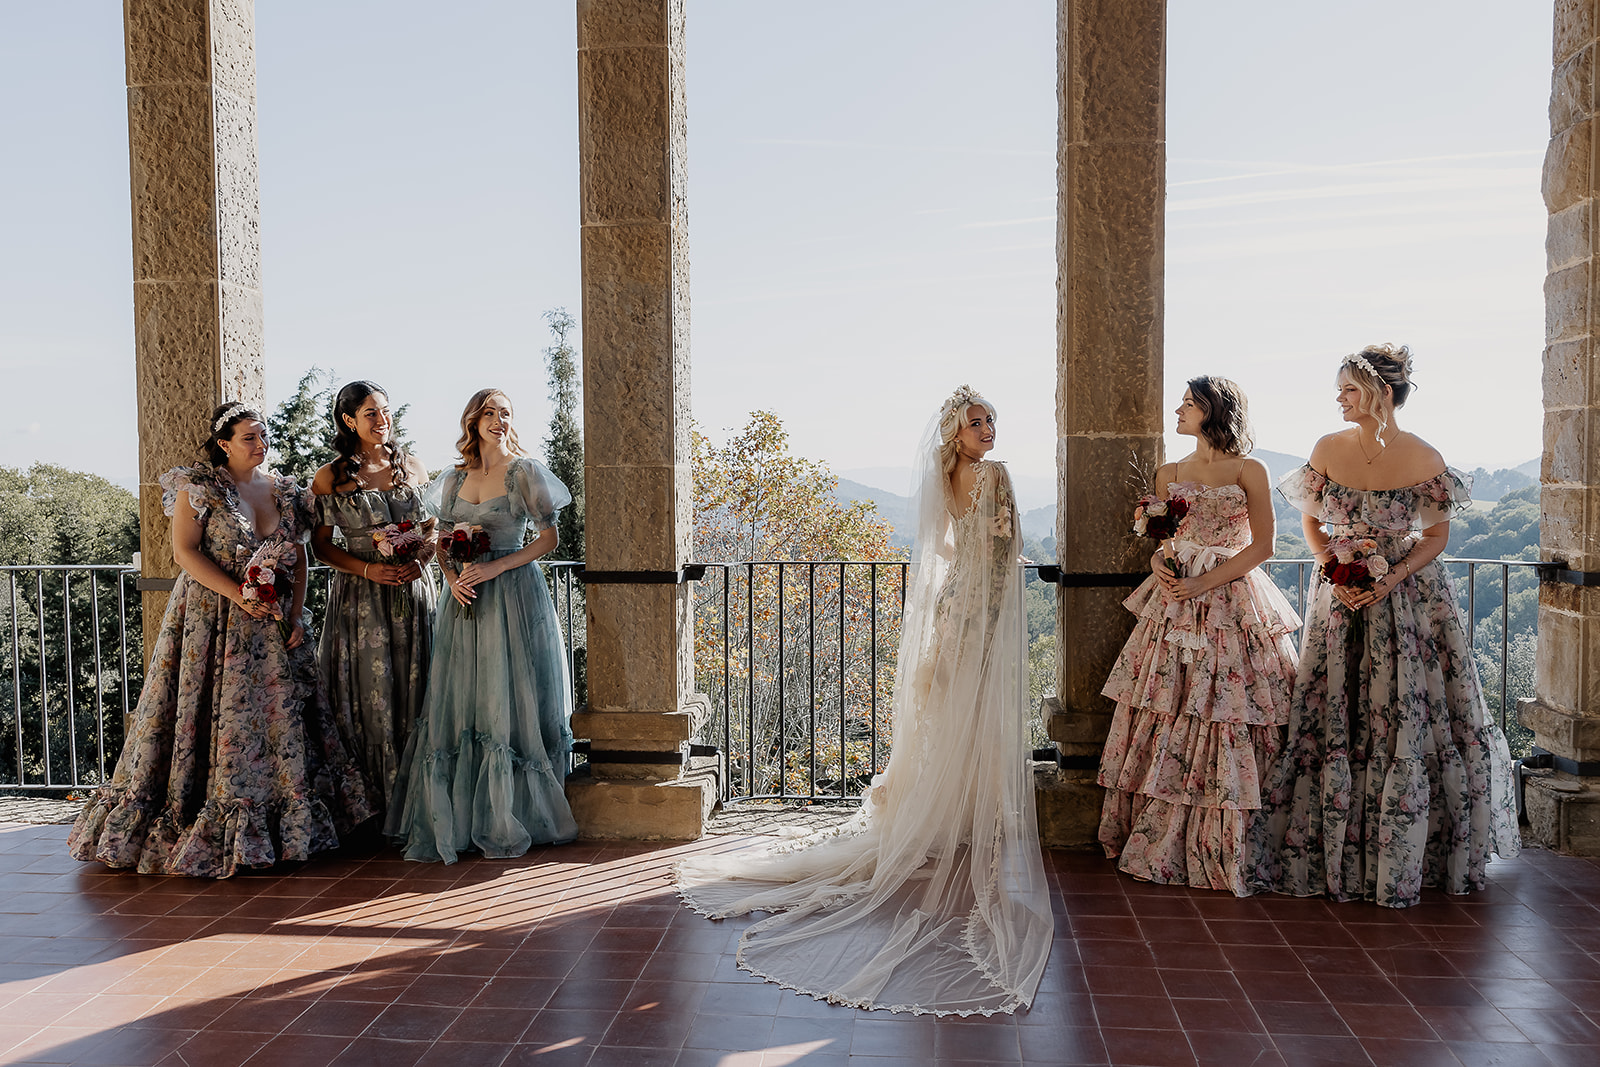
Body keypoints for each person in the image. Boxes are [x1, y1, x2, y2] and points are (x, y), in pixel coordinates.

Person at [675, 386, 1052, 1017]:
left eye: (990, 421)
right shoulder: (997, 475)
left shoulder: (949, 474)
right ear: (957, 431)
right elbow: (1008, 549)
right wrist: (992, 597)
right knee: (975, 708)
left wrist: (965, 583)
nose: (988, 430)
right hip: (981, 604)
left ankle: (944, 813)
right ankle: (965, 815)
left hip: (954, 598)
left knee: (949, 709)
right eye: (977, 422)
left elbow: (946, 548)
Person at [1244, 344, 1521, 908]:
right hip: (1340, 597)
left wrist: (1391, 577)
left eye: (1348, 389)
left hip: (1407, 603)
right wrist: (1334, 570)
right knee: (1337, 711)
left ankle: (1406, 855)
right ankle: (1332, 852)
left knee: (1406, 712)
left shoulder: (1424, 456)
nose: (1339, 398)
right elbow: (1310, 523)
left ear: (1381, 394)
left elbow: (1438, 538)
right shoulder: (1327, 447)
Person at [68, 404, 375, 878]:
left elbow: (298, 558)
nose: (260, 443)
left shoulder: (286, 492)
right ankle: (204, 824)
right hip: (210, 619)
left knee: (278, 720)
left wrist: (295, 616)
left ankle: (282, 829)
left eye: (263, 435)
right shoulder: (200, 489)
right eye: (249, 437)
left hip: (272, 625)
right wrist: (238, 593)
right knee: (209, 714)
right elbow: (184, 553)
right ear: (224, 444)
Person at [1098, 376, 1301, 893]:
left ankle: (1231, 841)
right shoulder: (1170, 472)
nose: (1179, 409)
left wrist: (1204, 582)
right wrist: (1158, 563)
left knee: (1230, 707)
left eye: (1188, 403)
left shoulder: (1250, 469)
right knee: (1172, 702)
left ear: (1213, 410)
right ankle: (1163, 838)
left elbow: (1264, 547)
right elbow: (1163, 536)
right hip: (1174, 599)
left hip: (1230, 594)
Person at [385, 388, 578, 862]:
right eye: (489, 413)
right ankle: (464, 816)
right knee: (465, 699)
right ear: (472, 420)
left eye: (506, 413)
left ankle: (514, 814)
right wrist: (451, 579)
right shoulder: (453, 479)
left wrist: (495, 567)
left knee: (505, 695)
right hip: (464, 600)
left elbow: (549, 539)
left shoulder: (524, 472)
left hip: (512, 594)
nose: (498, 420)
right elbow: (445, 544)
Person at [311, 381, 437, 811]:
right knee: (371, 692)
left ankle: (420, 800)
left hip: (414, 592)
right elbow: (321, 546)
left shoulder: (416, 468)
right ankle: (372, 806)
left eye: (386, 411)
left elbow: (433, 527)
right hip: (361, 598)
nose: (383, 420)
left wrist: (420, 562)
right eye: (371, 413)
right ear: (349, 421)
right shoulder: (330, 476)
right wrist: (367, 567)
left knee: (419, 686)